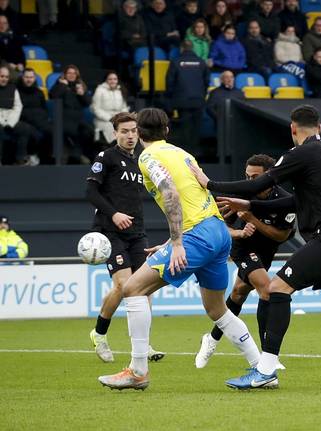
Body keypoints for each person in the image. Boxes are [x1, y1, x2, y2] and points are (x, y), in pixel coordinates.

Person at [191, 104, 321, 389]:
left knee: (276, 289)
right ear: (320, 127)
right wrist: (250, 205)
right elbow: (296, 202)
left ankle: (265, 370)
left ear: (292, 129)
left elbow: (260, 182)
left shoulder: (301, 153)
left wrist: (209, 183)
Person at [97, 108, 261, 390]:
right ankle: (262, 368)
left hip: (197, 234)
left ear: (138, 132)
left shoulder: (148, 157)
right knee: (216, 309)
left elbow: (171, 194)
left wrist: (177, 243)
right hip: (217, 231)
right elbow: (197, 193)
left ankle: (138, 371)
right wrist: (176, 238)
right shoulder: (182, 153)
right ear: (167, 131)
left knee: (133, 289)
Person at [195, 154, 295, 368]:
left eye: (255, 177)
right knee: (267, 290)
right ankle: (268, 356)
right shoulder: (239, 195)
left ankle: (211, 338)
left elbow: (281, 236)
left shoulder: (284, 200)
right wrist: (239, 232)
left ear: (269, 176)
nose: (250, 182)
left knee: (238, 293)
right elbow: (220, 226)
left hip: (266, 252)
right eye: (247, 177)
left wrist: (252, 220)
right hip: (243, 248)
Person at [86, 112, 165, 364]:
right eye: (125, 131)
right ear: (115, 133)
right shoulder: (105, 157)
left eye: (134, 131)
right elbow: (91, 192)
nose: (130, 135)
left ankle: (144, 344)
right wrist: (114, 214)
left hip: (137, 232)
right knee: (123, 286)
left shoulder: (143, 161)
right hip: (110, 232)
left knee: (146, 288)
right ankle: (99, 334)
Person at [166, 40, 210, 157]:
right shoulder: (201, 62)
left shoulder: (176, 62)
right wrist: (202, 95)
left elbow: (169, 82)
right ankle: (196, 152)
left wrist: (171, 98)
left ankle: (185, 154)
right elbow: (207, 82)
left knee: (185, 128)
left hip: (182, 101)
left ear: (182, 48)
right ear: (193, 48)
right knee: (196, 128)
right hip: (198, 100)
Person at [49, 65, 94, 165]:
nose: (71, 75)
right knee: (69, 131)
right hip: (63, 118)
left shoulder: (80, 86)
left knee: (88, 131)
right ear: (65, 75)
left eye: (74, 73)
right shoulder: (59, 85)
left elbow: (88, 103)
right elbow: (53, 96)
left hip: (78, 119)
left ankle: (77, 154)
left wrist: (82, 94)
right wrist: (63, 86)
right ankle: (72, 156)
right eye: (69, 73)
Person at [0, 65, 33, 166]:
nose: (4, 79)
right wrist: (2, 122)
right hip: (0, 120)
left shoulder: (13, 89)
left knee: (26, 129)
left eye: (6, 76)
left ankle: (20, 159)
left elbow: (18, 106)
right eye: (2, 76)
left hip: (11, 119)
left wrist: (10, 122)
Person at [17, 68, 48, 165]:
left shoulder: (39, 92)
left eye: (31, 77)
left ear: (34, 78)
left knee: (51, 130)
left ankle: (47, 160)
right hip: (24, 121)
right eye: (26, 77)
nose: (29, 79)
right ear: (22, 78)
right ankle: (28, 157)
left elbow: (44, 108)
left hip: (39, 121)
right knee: (31, 132)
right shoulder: (17, 91)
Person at [91, 71, 130, 146]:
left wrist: (121, 117)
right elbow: (95, 108)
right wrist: (110, 118)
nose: (113, 81)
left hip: (118, 119)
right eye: (110, 79)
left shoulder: (120, 90)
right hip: (103, 120)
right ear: (106, 80)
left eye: (115, 79)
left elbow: (124, 107)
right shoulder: (99, 90)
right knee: (110, 128)